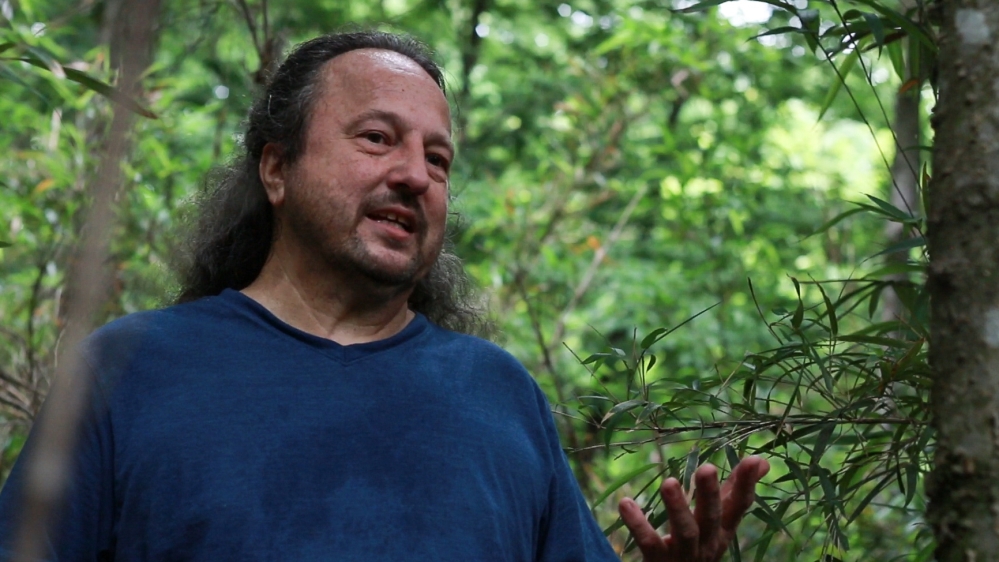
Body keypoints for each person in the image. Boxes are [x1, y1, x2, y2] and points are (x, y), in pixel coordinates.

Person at [0, 31, 768, 561]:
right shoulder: (129, 370)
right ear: (276, 169)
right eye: (376, 138)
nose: (414, 174)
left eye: (437, 159)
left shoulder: (497, 393)